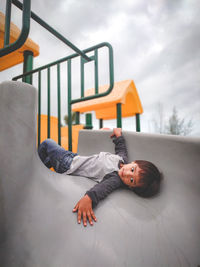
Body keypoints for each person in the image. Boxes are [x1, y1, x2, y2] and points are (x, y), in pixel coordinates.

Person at [38, 128, 161, 227]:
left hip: (68, 164)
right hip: (75, 157)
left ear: (130, 186)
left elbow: (103, 188)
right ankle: (44, 165)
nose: (127, 174)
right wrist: (118, 135)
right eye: (132, 169)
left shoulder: (115, 178)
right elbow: (121, 148)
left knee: (47, 143)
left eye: (132, 180)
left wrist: (89, 198)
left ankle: (38, 166)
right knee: (49, 156)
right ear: (134, 162)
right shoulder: (122, 159)